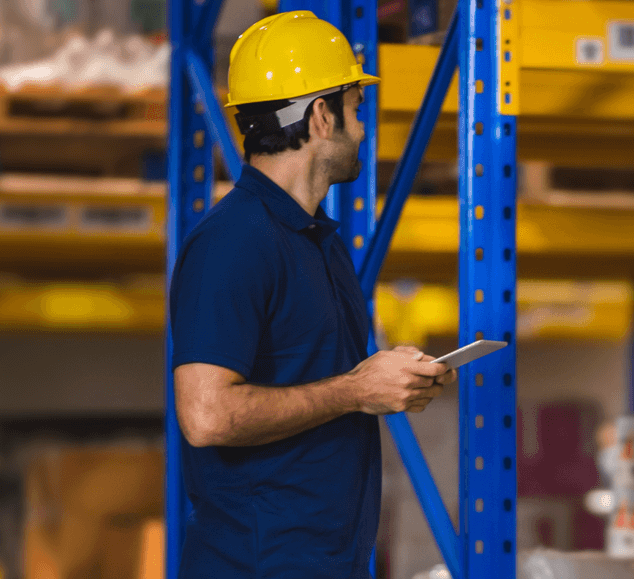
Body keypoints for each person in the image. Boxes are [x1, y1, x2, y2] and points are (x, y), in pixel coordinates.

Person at [168, 11, 454, 578]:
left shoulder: (316, 241)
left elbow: (326, 386)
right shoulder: (233, 243)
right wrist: (354, 390)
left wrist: (387, 385)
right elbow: (206, 414)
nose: (364, 129)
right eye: (355, 109)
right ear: (322, 117)